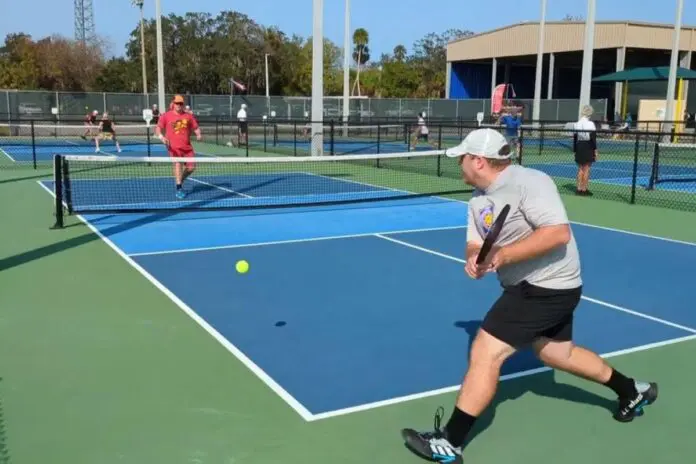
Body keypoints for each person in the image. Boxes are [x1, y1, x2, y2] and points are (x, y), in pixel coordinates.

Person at [400, 128, 658, 464]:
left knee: (485, 351)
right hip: (534, 287)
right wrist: (474, 258)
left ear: (478, 161)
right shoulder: (478, 199)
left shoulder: (530, 182)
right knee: (556, 354)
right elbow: (475, 242)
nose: (459, 164)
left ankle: (450, 441)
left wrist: (503, 256)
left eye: (463, 158)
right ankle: (631, 391)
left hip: (546, 286)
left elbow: (557, 233)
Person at [155, 94, 202, 199]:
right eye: (177, 103)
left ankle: (180, 179)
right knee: (178, 164)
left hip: (187, 147)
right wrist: (162, 137)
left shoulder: (188, 116)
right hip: (173, 146)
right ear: (173, 104)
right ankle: (179, 187)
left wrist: (198, 134)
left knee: (191, 167)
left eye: (180, 103)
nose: (179, 105)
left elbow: (196, 127)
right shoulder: (166, 116)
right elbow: (158, 128)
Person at [573, 105, 598, 196]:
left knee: (580, 168)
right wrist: (595, 150)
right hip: (588, 146)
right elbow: (593, 138)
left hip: (579, 145)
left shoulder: (577, 123)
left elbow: (575, 138)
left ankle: (578, 188)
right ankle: (584, 189)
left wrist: (575, 150)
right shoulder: (591, 124)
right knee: (587, 168)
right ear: (590, 113)